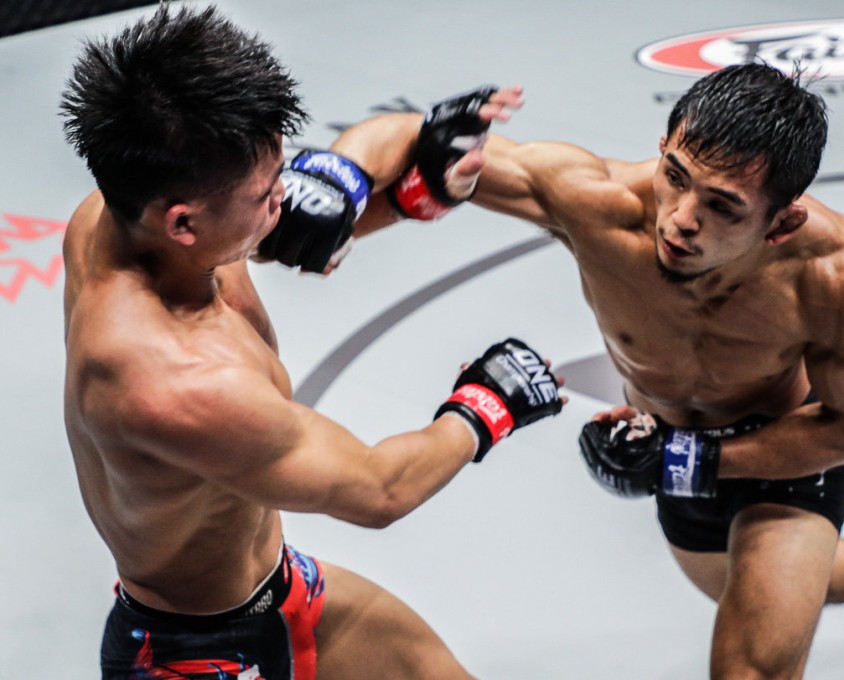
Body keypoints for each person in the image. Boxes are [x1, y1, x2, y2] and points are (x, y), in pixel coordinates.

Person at [345, 65, 844, 678]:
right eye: (675, 176)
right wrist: (337, 177)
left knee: (750, 665)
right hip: (671, 445)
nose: (681, 218)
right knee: (734, 582)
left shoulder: (841, 277)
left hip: (788, 450)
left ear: (782, 223)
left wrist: (689, 459)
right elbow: (405, 136)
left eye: (723, 207)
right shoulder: (597, 203)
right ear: (662, 149)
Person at [59, 5, 562, 679]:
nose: (284, 196)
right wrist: (484, 406)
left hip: (282, 586)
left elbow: (288, 219)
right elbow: (380, 490)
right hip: (190, 655)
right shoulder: (174, 382)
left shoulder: (130, 213)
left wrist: (416, 188)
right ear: (182, 222)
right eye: (266, 192)